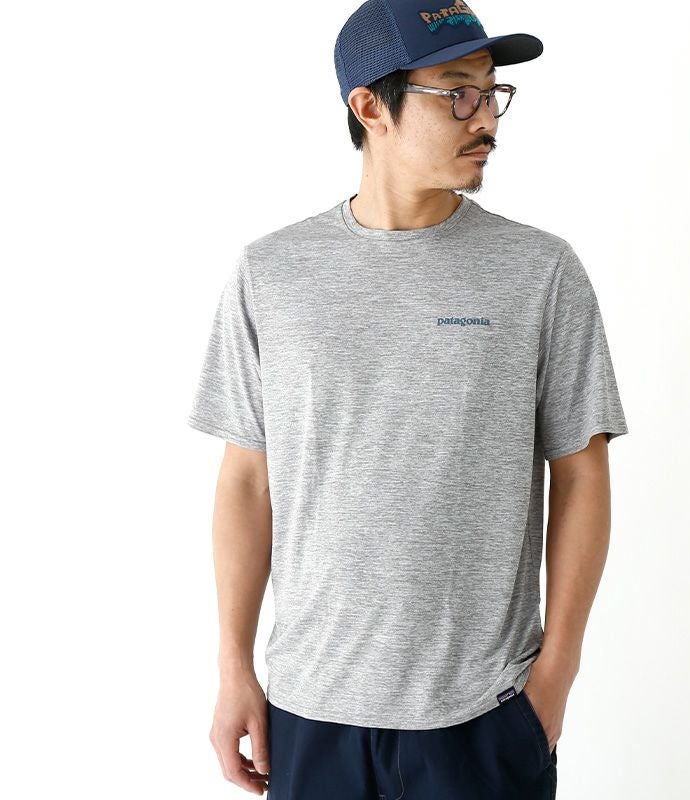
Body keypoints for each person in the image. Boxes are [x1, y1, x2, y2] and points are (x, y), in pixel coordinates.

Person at [187, 1, 629, 797]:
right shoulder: (272, 274)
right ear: (369, 107)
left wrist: (554, 679)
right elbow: (247, 482)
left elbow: (582, 473)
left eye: (492, 93)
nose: (485, 117)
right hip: (308, 709)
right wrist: (232, 668)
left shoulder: (540, 271)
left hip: (486, 713)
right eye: (457, 92)